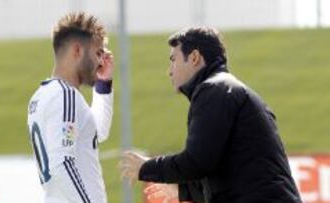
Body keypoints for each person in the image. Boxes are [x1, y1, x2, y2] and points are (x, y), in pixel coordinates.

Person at [120, 27, 302, 203]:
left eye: (173, 59)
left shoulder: (214, 90)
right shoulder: (224, 90)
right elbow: (224, 176)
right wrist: (182, 189)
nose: (169, 71)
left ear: (194, 58)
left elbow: (196, 162)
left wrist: (147, 167)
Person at [27, 12, 114, 203]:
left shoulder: (43, 96)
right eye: (98, 53)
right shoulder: (65, 95)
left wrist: (104, 84)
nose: (101, 61)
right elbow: (63, 163)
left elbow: (97, 132)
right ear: (77, 51)